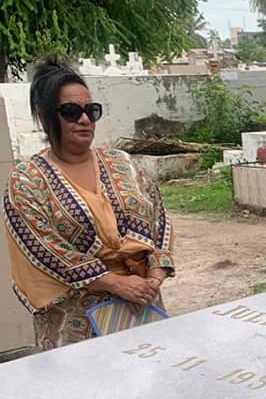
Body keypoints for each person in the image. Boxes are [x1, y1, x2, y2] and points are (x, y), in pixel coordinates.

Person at [3, 59, 174, 350]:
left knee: (150, 384)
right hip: (76, 320)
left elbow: (158, 217)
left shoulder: (122, 163)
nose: (84, 120)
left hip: (141, 304)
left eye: (91, 111)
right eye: (71, 112)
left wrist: (156, 274)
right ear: (45, 118)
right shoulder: (28, 180)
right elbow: (42, 249)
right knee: (86, 393)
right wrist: (115, 283)